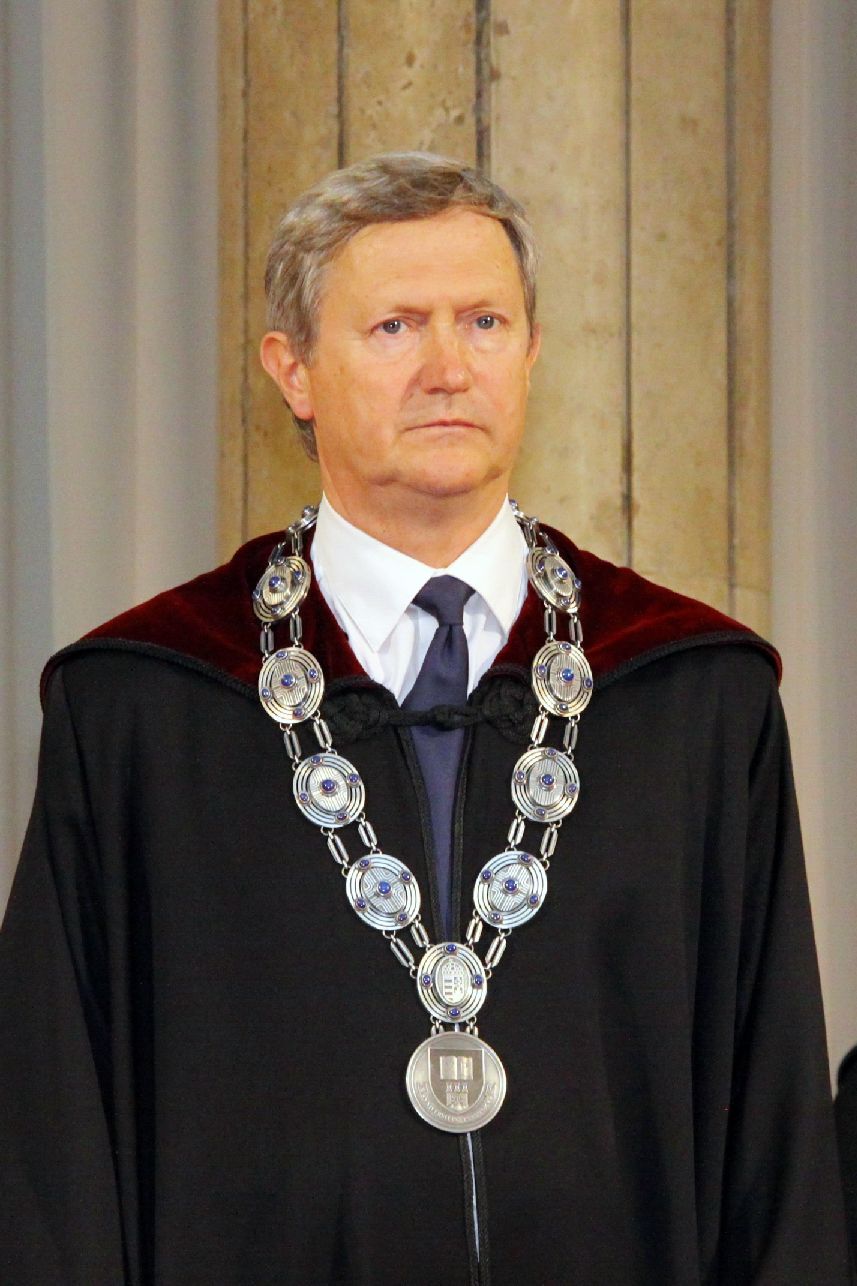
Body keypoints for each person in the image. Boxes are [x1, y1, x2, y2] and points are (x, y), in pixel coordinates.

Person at [0, 152, 851, 1285]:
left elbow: (774, 1139)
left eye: (484, 322)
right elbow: (51, 1152)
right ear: (293, 370)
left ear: (531, 353)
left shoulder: (692, 697)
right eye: (395, 327)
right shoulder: (144, 710)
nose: (448, 369)